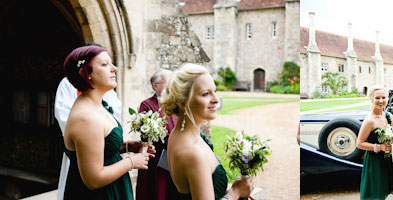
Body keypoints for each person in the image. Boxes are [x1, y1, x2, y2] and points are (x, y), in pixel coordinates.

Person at [62, 45, 153, 199]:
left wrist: (128, 146)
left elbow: (101, 150)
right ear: (85, 73)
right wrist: (131, 162)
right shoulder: (85, 118)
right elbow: (93, 179)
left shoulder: (97, 105)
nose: (114, 68)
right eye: (105, 64)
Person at [159, 63, 252, 199]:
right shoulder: (193, 153)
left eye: (215, 91)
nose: (215, 100)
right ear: (183, 103)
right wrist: (235, 192)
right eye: (206, 94)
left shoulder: (181, 134)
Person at [136, 69, 179, 200]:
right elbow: (143, 132)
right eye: (168, 82)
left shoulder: (175, 104)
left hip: (175, 157)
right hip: (156, 160)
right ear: (156, 86)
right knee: (156, 192)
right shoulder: (147, 104)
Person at [356, 85, 393, 200]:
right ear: (371, 99)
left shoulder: (388, 116)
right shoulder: (369, 120)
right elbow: (359, 143)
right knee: (374, 192)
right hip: (374, 160)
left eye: (384, 97)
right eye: (377, 98)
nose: (381, 101)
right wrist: (380, 147)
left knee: (382, 191)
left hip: (386, 159)